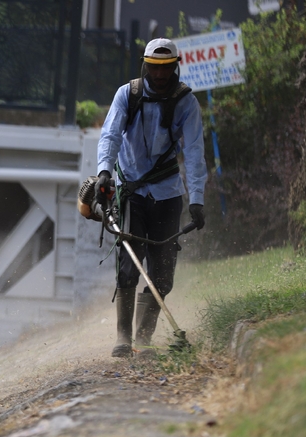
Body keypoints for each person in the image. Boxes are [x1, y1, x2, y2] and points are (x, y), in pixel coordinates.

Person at [95, 38, 207, 358]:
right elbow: (111, 135)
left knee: (163, 274)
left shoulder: (185, 102)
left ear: (176, 66)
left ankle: (144, 338)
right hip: (131, 193)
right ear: (146, 65)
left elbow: (195, 154)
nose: (160, 75)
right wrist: (105, 172)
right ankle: (123, 337)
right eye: (155, 68)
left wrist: (196, 199)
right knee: (129, 267)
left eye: (166, 69)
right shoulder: (127, 95)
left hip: (168, 194)